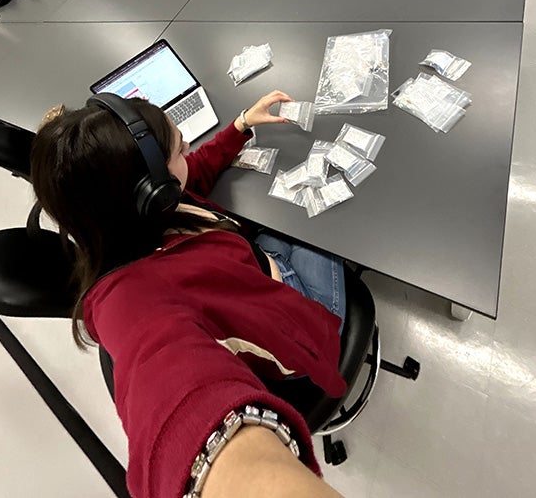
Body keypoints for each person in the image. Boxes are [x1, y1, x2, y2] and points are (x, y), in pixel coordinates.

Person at [31, 90, 347, 498]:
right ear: (153, 189)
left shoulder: (128, 217)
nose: (190, 150)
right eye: (181, 147)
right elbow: (171, 386)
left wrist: (240, 127)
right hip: (299, 322)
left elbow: (191, 173)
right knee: (332, 221)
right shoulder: (133, 303)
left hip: (257, 270)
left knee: (291, 210)